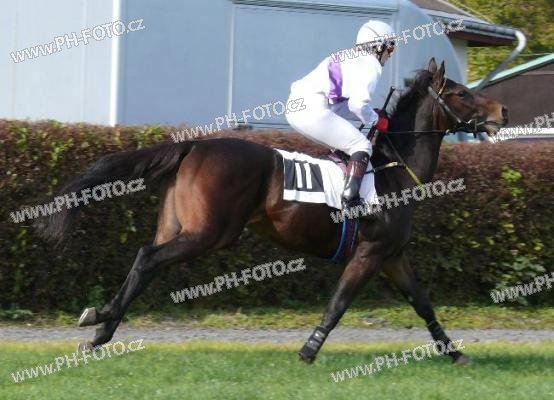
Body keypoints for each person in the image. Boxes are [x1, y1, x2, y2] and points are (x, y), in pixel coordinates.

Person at [286, 20, 395, 209]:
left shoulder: (350, 57)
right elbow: (357, 105)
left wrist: (371, 114)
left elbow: (340, 108)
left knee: (348, 147)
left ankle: (336, 187)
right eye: (390, 49)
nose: (390, 54)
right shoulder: (371, 64)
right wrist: (377, 120)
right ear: (379, 46)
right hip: (313, 108)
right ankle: (350, 200)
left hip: (298, 107)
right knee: (362, 145)